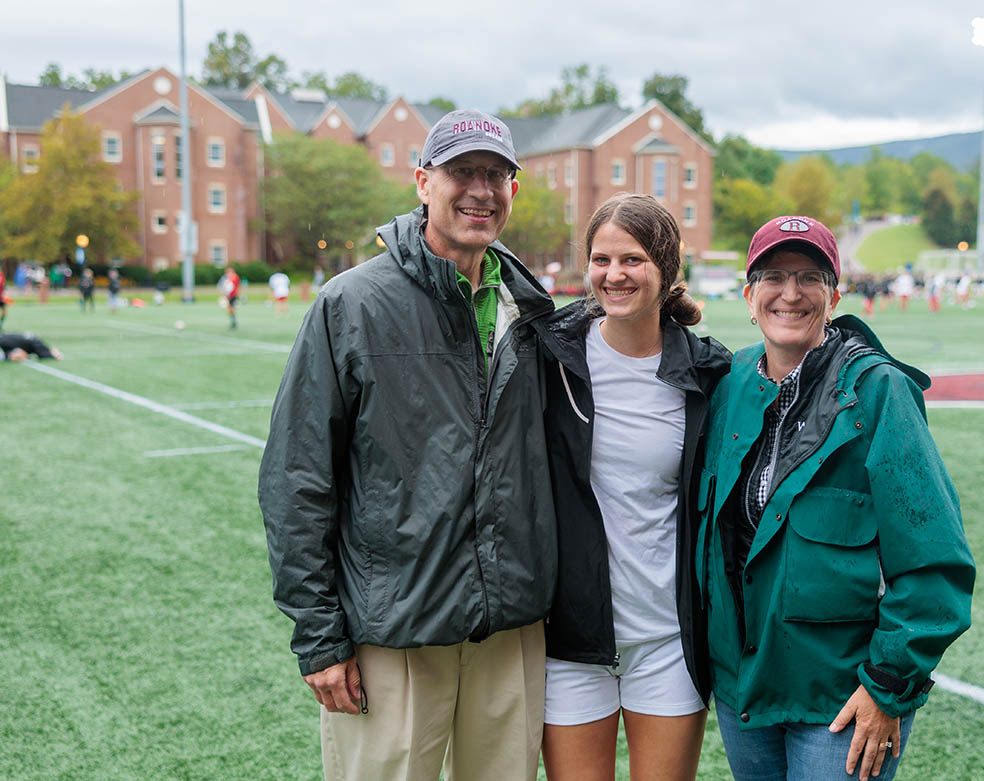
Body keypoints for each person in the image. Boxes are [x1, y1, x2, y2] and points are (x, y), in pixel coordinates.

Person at [258, 109, 557, 781]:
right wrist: (319, 637)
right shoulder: (351, 305)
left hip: (508, 627)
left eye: (496, 174)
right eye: (462, 172)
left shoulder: (530, 309)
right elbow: (295, 478)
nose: (481, 190)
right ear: (423, 181)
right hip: (392, 627)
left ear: (513, 190)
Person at [696, 216, 976, 781]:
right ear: (749, 296)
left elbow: (934, 561)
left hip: (841, 700)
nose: (791, 293)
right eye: (773, 276)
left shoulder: (878, 394)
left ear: (835, 296)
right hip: (743, 690)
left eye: (810, 277)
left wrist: (888, 688)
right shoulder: (729, 383)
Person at [535, 194, 730, 781]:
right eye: (601, 259)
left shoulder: (707, 372)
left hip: (668, 637)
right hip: (571, 638)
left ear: (667, 271)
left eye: (633, 260)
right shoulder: (549, 355)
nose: (614, 274)